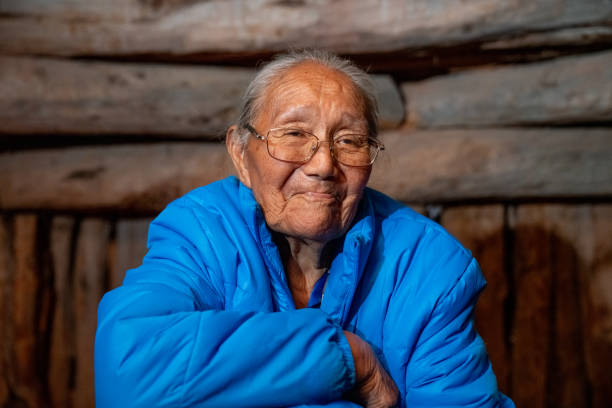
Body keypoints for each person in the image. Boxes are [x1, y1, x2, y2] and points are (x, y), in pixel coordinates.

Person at [94, 49, 514, 408]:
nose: (323, 165)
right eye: (294, 134)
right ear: (241, 154)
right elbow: (128, 372)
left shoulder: (426, 266)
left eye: (349, 141)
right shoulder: (201, 230)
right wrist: (349, 359)